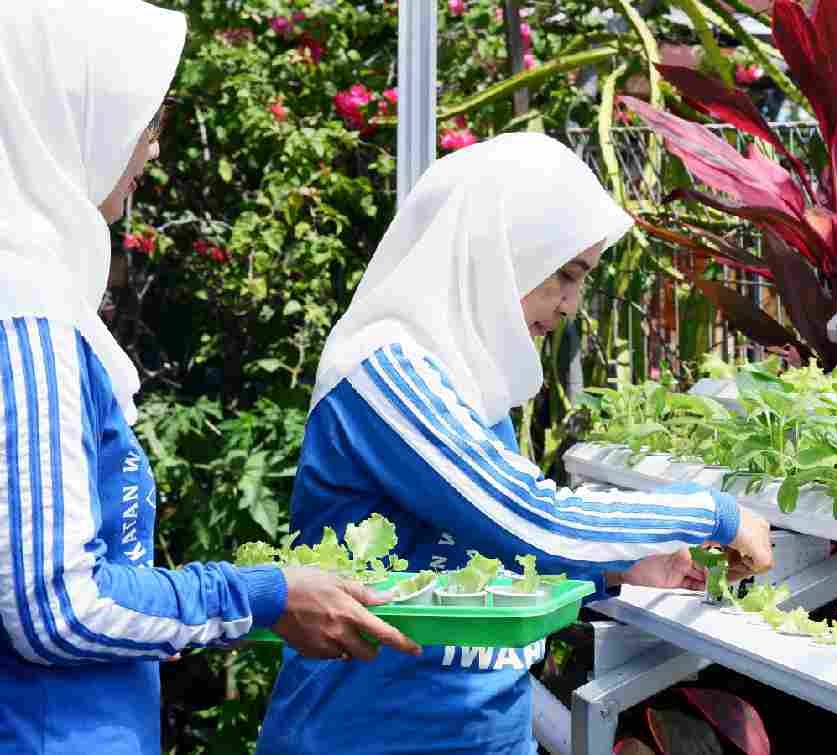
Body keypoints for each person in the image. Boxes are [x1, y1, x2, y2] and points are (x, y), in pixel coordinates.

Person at [256, 132, 774, 755]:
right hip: (367, 736)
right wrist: (711, 513)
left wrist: (621, 567)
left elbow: (484, 553)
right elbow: (532, 519)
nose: (571, 304)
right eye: (564, 274)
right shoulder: (385, 373)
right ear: (497, 250)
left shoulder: (469, 385)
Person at [0, 2, 417, 753]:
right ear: (66, 109)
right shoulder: (25, 317)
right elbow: (56, 604)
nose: (151, 150)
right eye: (145, 120)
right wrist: (261, 595)